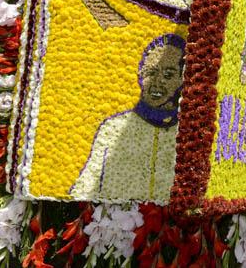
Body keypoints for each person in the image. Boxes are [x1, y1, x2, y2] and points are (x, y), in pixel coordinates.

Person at [71, 34, 185, 202]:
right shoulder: (112, 128)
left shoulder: (185, 134)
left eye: (168, 75)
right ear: (140, 73)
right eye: (151, 72)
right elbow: (83, 188)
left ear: (181, 80)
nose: (157, 82)